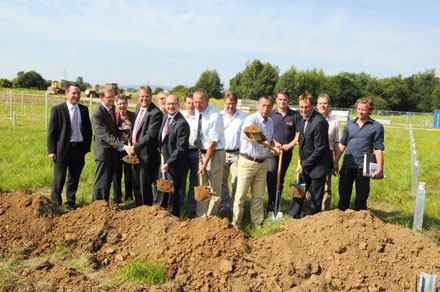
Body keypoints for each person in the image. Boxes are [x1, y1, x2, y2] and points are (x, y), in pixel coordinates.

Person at [232, 96, 278, 227]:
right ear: (258, 106)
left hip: (262, 163)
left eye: (269, 106)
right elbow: (249, 134)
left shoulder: (270, 122)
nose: (266, 109)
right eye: (263, 105)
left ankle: (256, 223)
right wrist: (263, 141)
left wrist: (276, 145)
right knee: (240, 196)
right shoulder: (251, 119)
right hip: (247, 162)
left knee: (258, 196)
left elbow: (271, 139)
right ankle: (236, 223)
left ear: (272, 107)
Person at [47, 82, 92, 209]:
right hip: (62, 149)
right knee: (59, 178)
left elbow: (88, 130)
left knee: (74, 177)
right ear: (67, 93)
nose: (76, 96)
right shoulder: (58, 110)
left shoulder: (84, 109)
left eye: (78, 93)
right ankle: (56, 203)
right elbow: (52, 132)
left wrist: (86, 147)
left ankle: (71, 202)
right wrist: (51, 151)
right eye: (73, 93)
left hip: (78, 148)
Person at [334, 98, 384, 211]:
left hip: (364, 166)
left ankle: (360, 223)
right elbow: (342, 144)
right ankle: (341, 222)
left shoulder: (377, 127)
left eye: (364, 110)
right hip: (347, 164)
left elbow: (378, 149)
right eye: (358, 109)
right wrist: (335, 161)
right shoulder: (349, 125)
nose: (360, 112)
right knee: (343, 195)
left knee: (361, 198)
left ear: (370, 111)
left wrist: (379, 168)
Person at [288, 92, 332, 218]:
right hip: (305, 163)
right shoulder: (303, 118)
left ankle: (313, 221)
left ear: (312, 105)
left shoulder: (319, 122)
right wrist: (301, 159)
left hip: (318, 166)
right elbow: (301, 138)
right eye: (301, 107)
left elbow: (320, 149)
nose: (303, 110)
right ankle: (293, 216)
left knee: (316, 197)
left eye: (306, 107)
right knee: (298, 190)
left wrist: (304, 164)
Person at [92, 86, 132, 202]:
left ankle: (104, 205)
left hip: (112, 153)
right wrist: (123, 147)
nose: (112, 99)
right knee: (101, 182)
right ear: (101, 97)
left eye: (113, 96)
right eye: (109, 97)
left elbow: (114, 129)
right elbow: (105, 135)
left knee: (107, 181)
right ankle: (96, 206)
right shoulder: (98, 114)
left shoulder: (111, 108)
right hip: (103, 153)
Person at [302, 93, 341, 212]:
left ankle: (324, 212)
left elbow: (337, 143)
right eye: (320, 103)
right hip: (311, 155)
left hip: (326, 156)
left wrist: (335, 161)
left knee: (325, 186)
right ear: (316, 105)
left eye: (325, 103)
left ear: (329, 105)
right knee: (309, 184)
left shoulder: (334, 121)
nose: (322, 106)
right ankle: (307, 210)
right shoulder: (309, 118)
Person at [266, 90, 302, 216]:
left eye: (285, 99)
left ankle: (276, 204)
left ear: (288, 100)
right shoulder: (271, 113)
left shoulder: (295, 115)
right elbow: (265, 131)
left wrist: (290, 145)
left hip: (286, 152)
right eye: (280, 99)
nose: (282, 102)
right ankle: (270, 205)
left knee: (280, 178)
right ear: (276, 100)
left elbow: (300, 133)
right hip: (272, 151)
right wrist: (274, 143)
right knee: (271, 176)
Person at [193, 88, 226, 217]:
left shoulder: (215, 116)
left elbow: (213, 143)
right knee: (203, 186)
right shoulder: (198, 112)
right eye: (195, 102)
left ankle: (210, 219)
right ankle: (201, 216)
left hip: (215, 154)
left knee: (214, 189)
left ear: (207, 100)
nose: (197, 105)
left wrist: (204, 164)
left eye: (200, 102)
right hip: (202, 152)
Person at [158, 95, 190, 217]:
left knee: (173, 192)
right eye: (168, 104)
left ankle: (173, 216)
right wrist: (159, 146)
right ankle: (161, 214)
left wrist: (169, 163)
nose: (170, 106)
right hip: (163, 160)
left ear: (178, 105)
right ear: (165, 105)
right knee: (162, 189)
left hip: (175, 164)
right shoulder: (165, 117)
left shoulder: (182, 123)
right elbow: (162, 135)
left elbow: (181, 148)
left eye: (173, 104)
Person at [131, 85, 163, 207]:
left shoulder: (155, 113)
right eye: (142, 96)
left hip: (146, 154)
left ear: (151, 97)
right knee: (135, 181)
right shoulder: (138, 107)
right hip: (134, 151)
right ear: (138, 97)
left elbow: (150, 135)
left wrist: (136, 146)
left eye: (147, 96)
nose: (144, 99)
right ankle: (138, 206)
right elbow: (136, 128)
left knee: (144, 182)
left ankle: (146, 208)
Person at [219, 91, 247, 215]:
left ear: (237, 103)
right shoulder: (219, 116)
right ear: (225, 103)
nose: (231, 106)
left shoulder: (243, 116)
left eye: (233, 104)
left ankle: (234, 205)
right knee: (222, 181)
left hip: (237, 153)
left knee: (236, 180)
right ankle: (224, 205)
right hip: (222, 152)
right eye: (229, 103)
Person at [111, 94, 136, 204]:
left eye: (124, 103)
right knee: (116, 174)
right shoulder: (114, 116)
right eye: (120, 103)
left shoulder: (132, 116)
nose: (122, 105)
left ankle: (129, 197)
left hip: (130, 150)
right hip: (117, 150)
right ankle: (117, 196)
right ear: (116, 104)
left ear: (127, 104)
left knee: (129, 174)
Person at [179, 93, 198, 216]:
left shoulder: (200, 116)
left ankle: (192, 207)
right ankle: (179, 206)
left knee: (194, 181)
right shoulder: (181, 116)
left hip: (196, 152)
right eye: (189, 103)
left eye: (193, 103)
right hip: (183, 152)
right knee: (181, 179)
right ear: (184, 103)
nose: (191, 105)